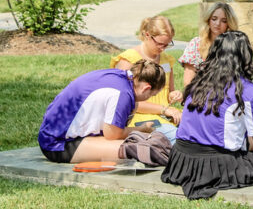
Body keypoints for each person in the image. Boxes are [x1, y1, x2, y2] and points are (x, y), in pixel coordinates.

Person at [161, 31, 253, 200]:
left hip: (181, 160)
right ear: (245, 56)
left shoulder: (196, 83)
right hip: (215, 165)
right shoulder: (248, 91)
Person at [38, 60, 166, 163]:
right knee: (142, 148)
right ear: (146, 88)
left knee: (143, 141)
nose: (148, 98)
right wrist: (142, 129)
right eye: (151, 95)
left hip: (55, 136)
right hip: (57, 146)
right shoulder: (123, 94)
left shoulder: (120, 77)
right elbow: (112, 134)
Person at [110, 16, 181, 145]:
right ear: (147, 35)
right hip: (140, 119)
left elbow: (169, 92)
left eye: (167, 45)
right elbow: (124, 101)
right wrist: (164, 109)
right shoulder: (129, 60)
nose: (162, 49)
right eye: (159, 44)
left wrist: (173, 95)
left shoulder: (166, 60)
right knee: (177, 139)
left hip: (165, 117)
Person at [179, 2, 239, 86]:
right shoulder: (196, 44)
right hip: (199, 93)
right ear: (208, 19)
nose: (217, 23)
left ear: (229, 24)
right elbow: (188, 82)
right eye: (214, 19)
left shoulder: (234, 45)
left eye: (224, 21)